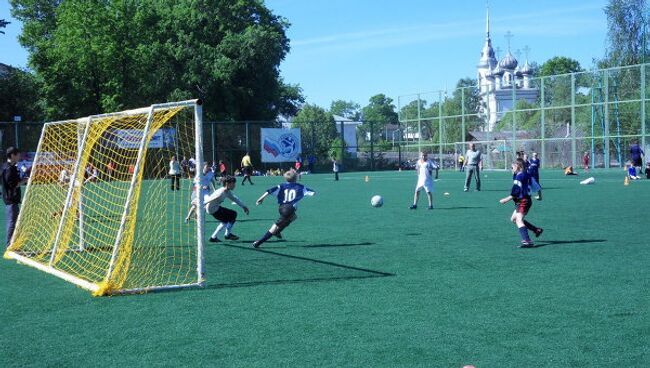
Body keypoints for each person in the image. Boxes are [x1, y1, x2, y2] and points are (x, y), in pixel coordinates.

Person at [252, 170, 315, 248]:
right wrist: (312, 192)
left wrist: (260, 199)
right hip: (289, 209)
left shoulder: (281, 186)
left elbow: (269, 191)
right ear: (295, 178)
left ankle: (277, 232)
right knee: (274, 227)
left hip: (282, 208)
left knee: (294, 217)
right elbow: (312, 192)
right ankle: (259, 242)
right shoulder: (300, 187)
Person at [499, 158, 543, 248]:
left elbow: (515, 191)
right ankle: (536, 230)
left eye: (512, 167)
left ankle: (527, 241)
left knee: (518, 220)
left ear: (517, 166)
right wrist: (540, 196)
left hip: (523, 201)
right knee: (514, 219)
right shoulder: (527, 175)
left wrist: (506, 199)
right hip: (525, 200)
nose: (511, 169)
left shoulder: (519, 177)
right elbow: (537, 186)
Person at [203, 175, 249, 242]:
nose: (234, 185)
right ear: (227, 183)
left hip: (214, 208)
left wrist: (244, 207)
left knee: (225, 220)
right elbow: (211, 198)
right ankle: (227, 235)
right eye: (233, 183)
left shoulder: (227, 191)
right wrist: (202, 203)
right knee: (233, 214)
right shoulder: (221, 192)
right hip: (213, 209)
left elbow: (234, 199)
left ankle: (213, 237)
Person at [2, 147, 29, 248]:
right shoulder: (9, 168)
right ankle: (10, 245)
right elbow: (13, 185)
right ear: (12, 155)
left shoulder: (9, 166)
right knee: (12, 223)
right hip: (11, 200)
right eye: (18, 155)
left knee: (15, 222)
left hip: (11, 200)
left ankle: (14, 244)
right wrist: (24, 181)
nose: (19, 157)